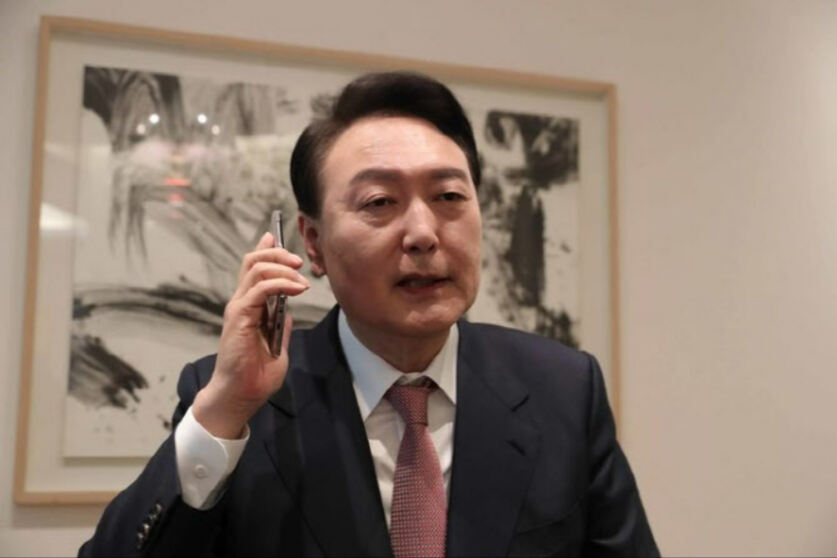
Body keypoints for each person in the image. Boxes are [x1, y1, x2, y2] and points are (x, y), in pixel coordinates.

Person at [80, 71, 658, 557]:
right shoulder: (237, 398)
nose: (424, 233)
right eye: (380, 202)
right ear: (312, 243)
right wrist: (224, 411)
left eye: (449, 197)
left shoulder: (563, 389)